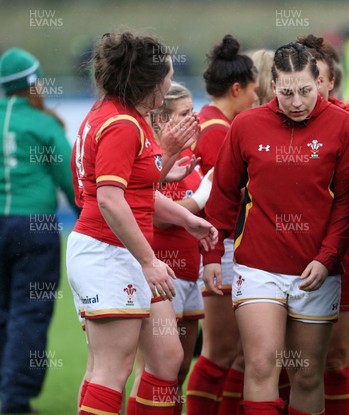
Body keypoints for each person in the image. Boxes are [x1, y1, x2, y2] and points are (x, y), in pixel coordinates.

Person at [201, 41, 349, 415]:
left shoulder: (342, 126)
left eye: (305, 90)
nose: (297, 101)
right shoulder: (246, 125)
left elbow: (347, 204)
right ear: (273, 87)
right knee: (260, 365)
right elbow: (223, 194)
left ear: (320, 82)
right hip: (258, 267)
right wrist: (211, 254)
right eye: (287, 92)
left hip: (317, 271)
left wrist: (326, 258)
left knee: (306, 374)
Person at [67, 31, 217, 415]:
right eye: (167, 73)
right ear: (151, 82)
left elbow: (136, 192)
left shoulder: (118, 116)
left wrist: (186, 219)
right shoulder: (121, 124)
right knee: (110, 370)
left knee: (167, 357)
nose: (171, 79)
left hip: (123, 253)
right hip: (107, 253)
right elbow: (108, 199)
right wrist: (149, 261)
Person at [297, 33, 349, 415]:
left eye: (318, 79)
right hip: (282, 263)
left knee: (336, 360)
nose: (309, 88)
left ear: (331, 82)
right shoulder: (269, 126)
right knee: (286, 362)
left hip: (342, 264)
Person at [125, 81, 212, 415]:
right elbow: (158, 218)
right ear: (161, 121)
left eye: (194, 112)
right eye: (185, 114)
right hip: (162, 272)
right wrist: (202, 197)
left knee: (179, 370)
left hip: (189, 271)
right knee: (154, 369)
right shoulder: (153, 158)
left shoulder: (189, 157)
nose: (195, 121)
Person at [0, 47, 78, 414]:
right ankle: (16, 397)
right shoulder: (45, 124)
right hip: (35, 228)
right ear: (33, 84)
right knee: (29, 313)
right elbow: (71, 181)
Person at [186, 34, 258, 415]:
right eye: (253, 93)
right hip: (219, 246)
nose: (256, 101)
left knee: (233, 354)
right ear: (236, 89)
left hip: (218, 246)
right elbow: (223, 199)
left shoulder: (212, 123)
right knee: (220, 352)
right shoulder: (217, 131)